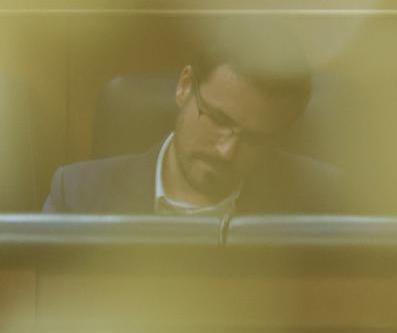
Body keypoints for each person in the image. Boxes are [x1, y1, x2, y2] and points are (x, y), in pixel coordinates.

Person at [43, 23, 341, 214]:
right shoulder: (78, 196)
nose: (228, 152)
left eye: (254, 139)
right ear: (185, 86)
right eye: (218, 119)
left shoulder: (322, 203)